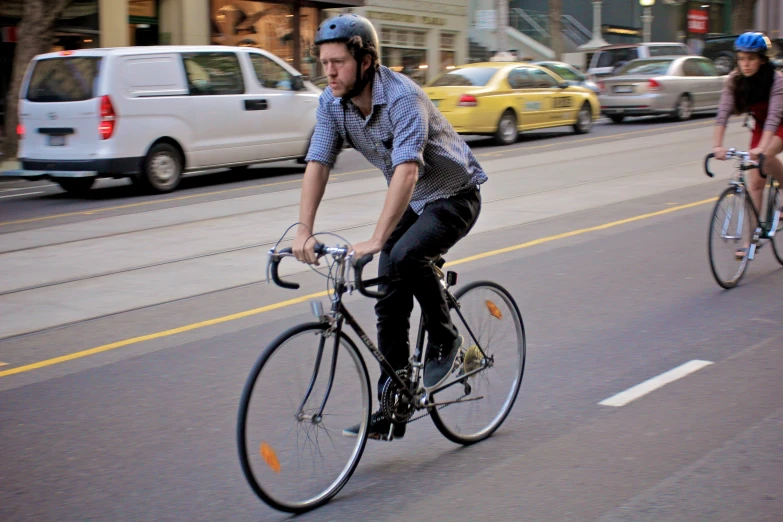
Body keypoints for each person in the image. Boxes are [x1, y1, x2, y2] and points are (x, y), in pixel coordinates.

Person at [292, 13, 487, 440]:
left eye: (338, 62)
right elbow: (318, 163)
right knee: (388, 297)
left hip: (454, 194)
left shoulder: (402, 98)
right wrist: (303, 229)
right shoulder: (332, 101)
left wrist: (379, 238)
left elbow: (406, 171)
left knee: (403, 254)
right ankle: (392, 405)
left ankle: (445, 338)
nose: (329, 72)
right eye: (323, 62)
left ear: (366, 62)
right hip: (415, 201)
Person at [714, 31, 783, 256]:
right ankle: (749, 241)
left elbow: (774, 118)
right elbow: (722, 113)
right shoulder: (734, 80)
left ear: (763, 60)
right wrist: (717, 146)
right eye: (742, 58)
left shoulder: (776, 81)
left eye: (751, 59)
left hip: (780, 122)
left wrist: (762, 149)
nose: (746, 64)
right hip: (762, 125)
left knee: (766, 156)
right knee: (754, 184)